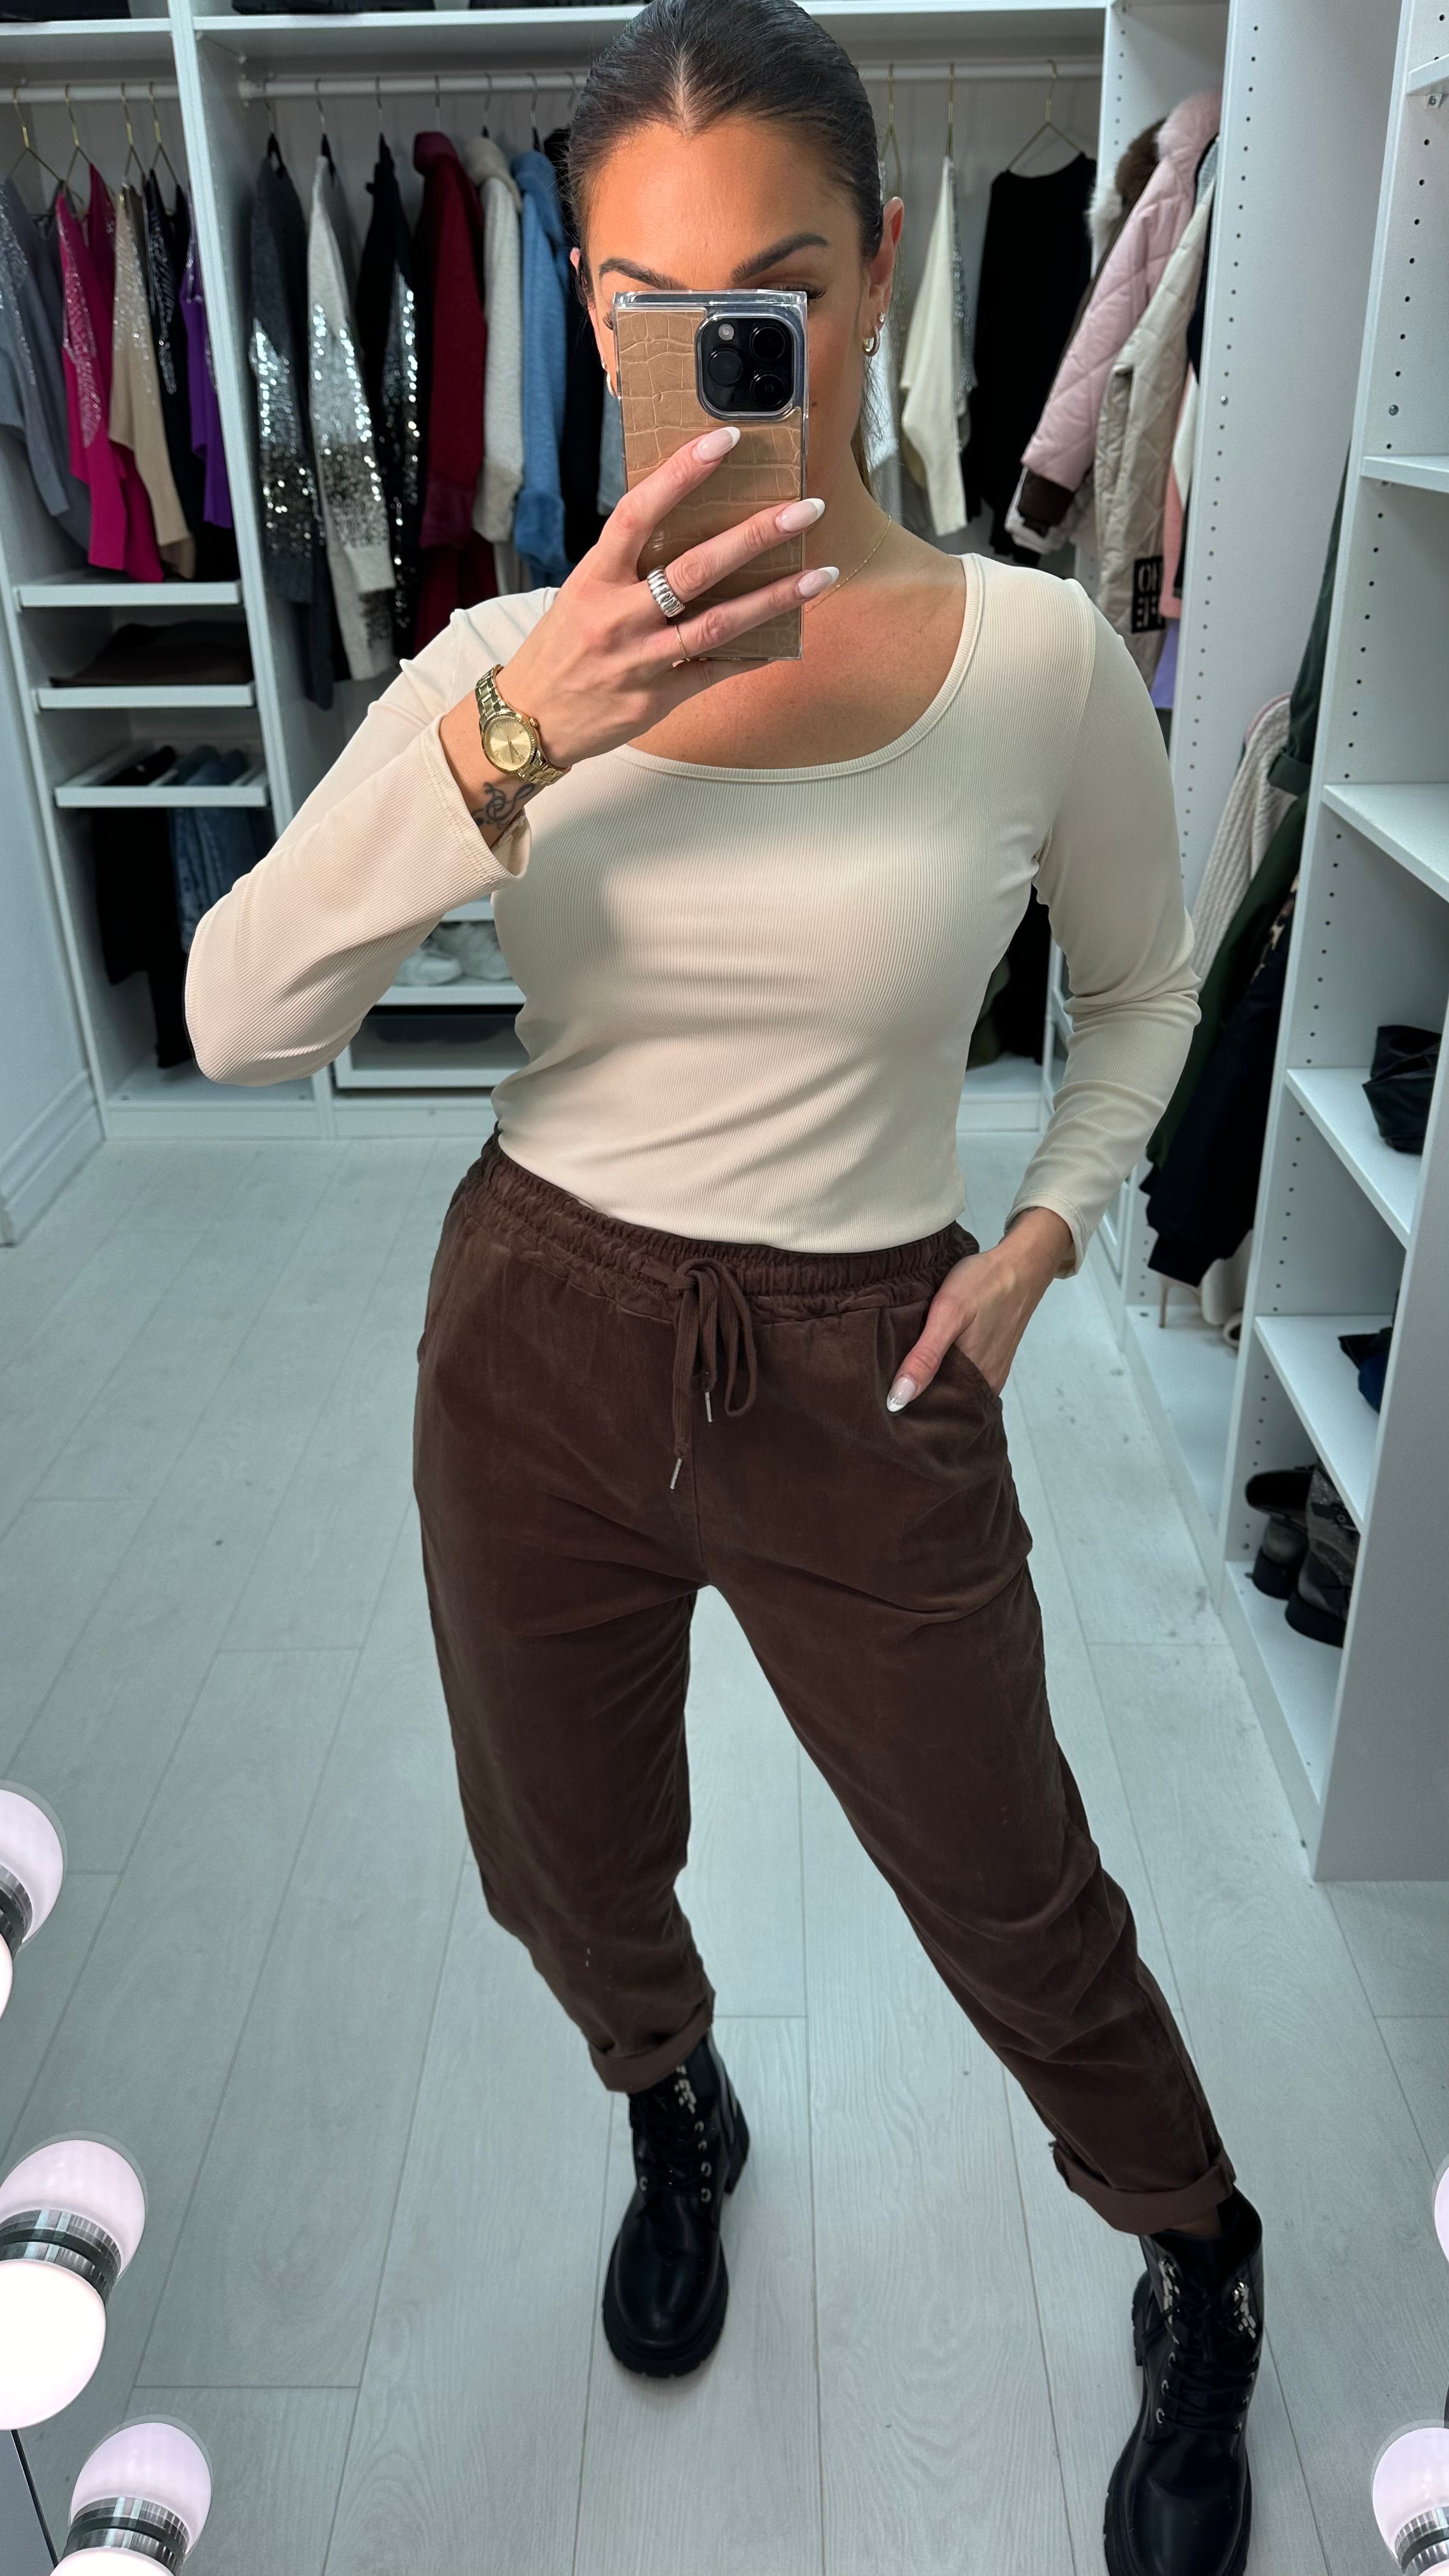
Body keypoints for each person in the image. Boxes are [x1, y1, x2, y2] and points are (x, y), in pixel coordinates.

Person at [184, 3, 1263, 2567]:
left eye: (772, 290)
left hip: (867, 1358)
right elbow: (239, 1016)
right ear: (585, 311)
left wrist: (1041, 1233)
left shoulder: (1030, 663)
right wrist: (512, 743)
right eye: (649, 301)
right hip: (535, 1337)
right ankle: (669, 2098)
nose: (715, 351)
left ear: (878, 275)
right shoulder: (492, 674)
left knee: (1006, 1880)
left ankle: (1196, 2251)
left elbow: (1144, 989)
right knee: (558, 1854)